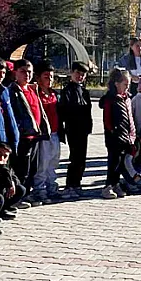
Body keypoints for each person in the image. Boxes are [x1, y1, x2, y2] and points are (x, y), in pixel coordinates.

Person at [9, 59, 49, 202]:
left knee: (33, 168)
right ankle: (19, 197)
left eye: (29, 72)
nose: (27, 75)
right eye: (23, 71)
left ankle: (28, 193)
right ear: (15, 73)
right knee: (22, 169)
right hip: (23, 136)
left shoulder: (32, 89)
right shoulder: (12, 91)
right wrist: (20, 129)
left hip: (35, 136)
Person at [58, 62, 92, 199]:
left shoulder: (84, 91)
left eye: (83, 74)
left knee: (81, 159)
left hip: (83, 130)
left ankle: (77, 183)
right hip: (73, 129)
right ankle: (69, 185)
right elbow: (63, 111)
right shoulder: (67, 90)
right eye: (78, 73)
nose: (80, 76)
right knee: (74, 158)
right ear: (72, 72)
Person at [100, 67, 135, 199]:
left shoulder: (127, 98)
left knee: (120, 163)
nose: (127, 87)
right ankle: (108, 186)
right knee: (113, 162)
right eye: (125, 84)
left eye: (129, 85)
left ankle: (115, 184)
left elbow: (130, 118)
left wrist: (132, 134)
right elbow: (107, 120)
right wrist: (113, 132)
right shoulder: (110, 99)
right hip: (114, 137)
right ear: (116, 83)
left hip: (126, 137)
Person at [32, 61, 61, 202]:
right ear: (38, 77)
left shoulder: (54, 94)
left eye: (51, 77)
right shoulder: (36, 94)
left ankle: (51, 186)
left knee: (53, 161)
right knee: (42, 163)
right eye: (46, 77)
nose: (49, 80)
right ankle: (39, 189)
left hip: (55, 133)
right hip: (43, 134)